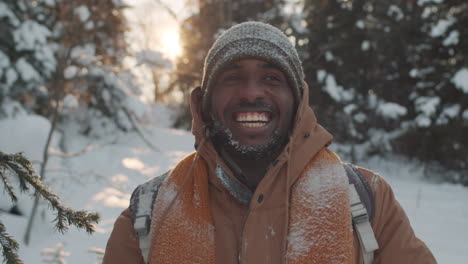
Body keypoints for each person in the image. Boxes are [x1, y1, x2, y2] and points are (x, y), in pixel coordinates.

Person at [103, 21, 436, 264]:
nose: (251, 92)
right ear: (205, 102)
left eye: (271, 78)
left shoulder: (366, 201)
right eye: (232, 77)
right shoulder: (148, 212)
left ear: (298, 100)